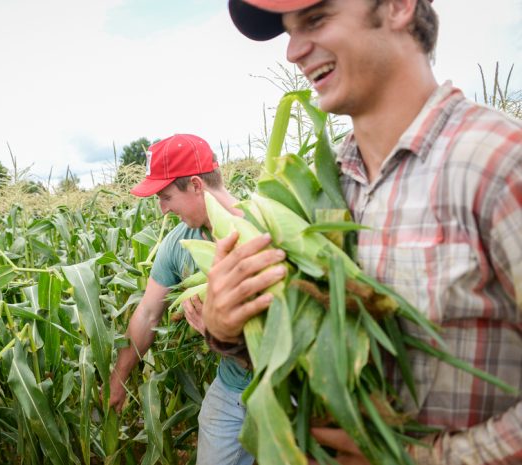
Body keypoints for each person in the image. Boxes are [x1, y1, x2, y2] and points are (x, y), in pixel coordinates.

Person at [202, 0, 522, 463]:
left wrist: (418, 458)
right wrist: (228, 326)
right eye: (290, 30)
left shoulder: (496, 165)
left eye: (315, 20)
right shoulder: (316, 189)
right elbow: (313, 344)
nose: (292, 50)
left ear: (397, 7)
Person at [108, 133, 255, 465]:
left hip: (285, 386)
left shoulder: (261, 227)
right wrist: (119, 380)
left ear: (196, 185)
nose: (162, 210)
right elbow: (147, 313)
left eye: (166, 196)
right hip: (232, 388)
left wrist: (216, 330)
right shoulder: (179, 243)